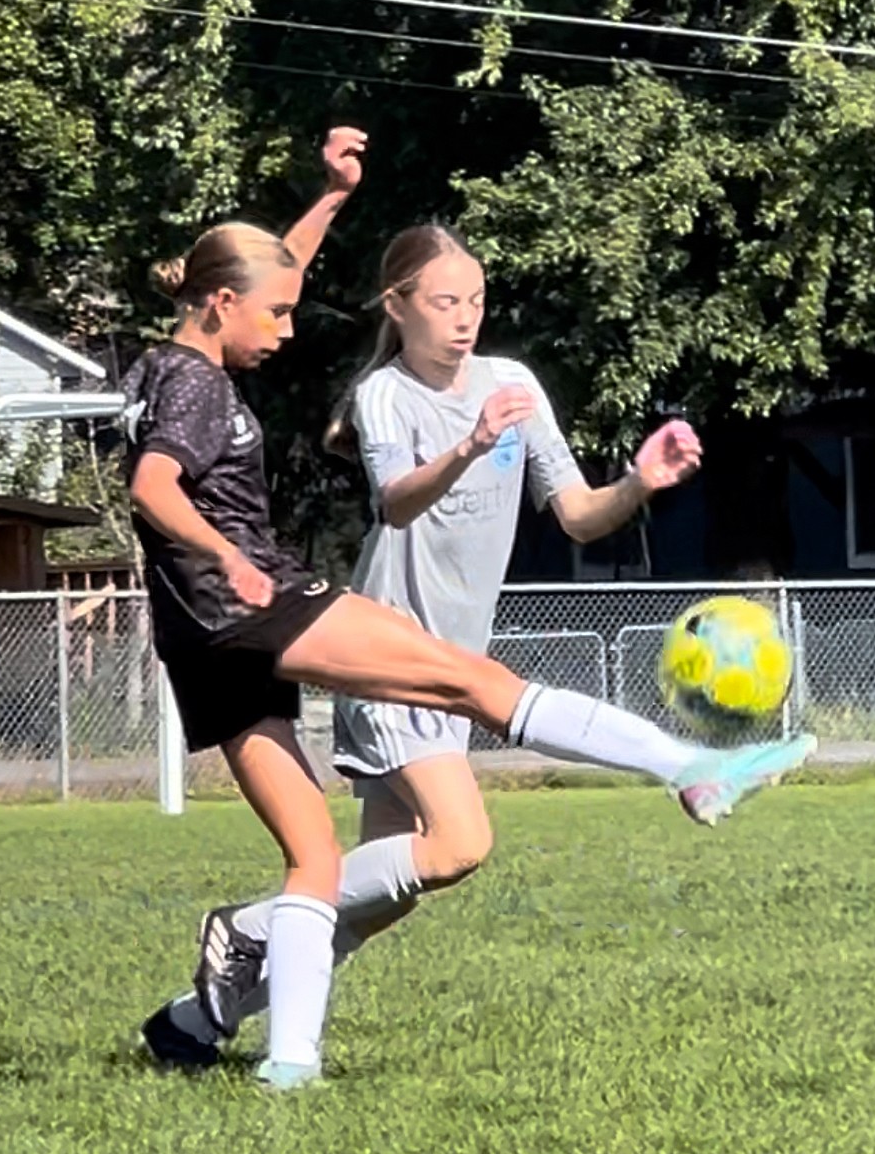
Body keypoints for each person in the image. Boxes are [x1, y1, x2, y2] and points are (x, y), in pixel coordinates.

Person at [141, 219, 817, 1078]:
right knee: (461, 830)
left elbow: (574, 513)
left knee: (361, 886)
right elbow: (390, 503)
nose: (466, 318)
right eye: (445, 301)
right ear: (400, 306)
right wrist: (465, 446)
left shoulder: (511, 382)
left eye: (478, 300)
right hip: (354, 636)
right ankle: (687, 765)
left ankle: (202, 1018)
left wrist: (641, 483)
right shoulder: (373, 394)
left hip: (282, 634)